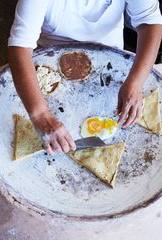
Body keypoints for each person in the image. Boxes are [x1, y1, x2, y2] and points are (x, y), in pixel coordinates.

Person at [8, 0, 162, 154]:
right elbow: (20, 47)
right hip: (51, 70)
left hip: (110, 63)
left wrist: (136, 83)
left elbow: (149, 22)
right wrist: (40, 114)